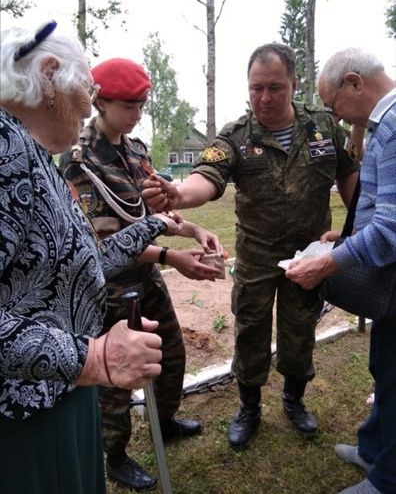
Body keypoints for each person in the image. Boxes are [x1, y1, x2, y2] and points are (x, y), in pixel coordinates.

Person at [142, 42, 361, 451]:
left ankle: (294, 400)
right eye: (256, 87)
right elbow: (206, 177)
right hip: (258, 257)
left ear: (294, 85)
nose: (264, 97)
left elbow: (349, 176)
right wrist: (176, 194)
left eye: (275, 87)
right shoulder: (236, 135)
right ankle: (249, 407)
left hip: (308, 256)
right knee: (250, 333)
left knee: (300, 332)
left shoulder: (324, 127)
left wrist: (358, 230)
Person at [0, 21, 184, 494]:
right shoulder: (5, 152)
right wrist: (93, 355)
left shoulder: (31, 149)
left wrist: (155, 225)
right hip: (23, 411)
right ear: (48, 76)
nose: (88, 105)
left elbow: (75, 260)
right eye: (87, 89)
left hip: (59, 388)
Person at [59, 57, 224, 491]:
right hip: (112, 287)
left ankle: (164, 421)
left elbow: (158, 212)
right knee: (118, 378)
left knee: (170, 352)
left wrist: (196, 228)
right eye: (130, 106)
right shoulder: (80, 160)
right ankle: (115, 454)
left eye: (142, 104)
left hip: (147, 277)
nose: (138, 114)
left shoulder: (136, 149)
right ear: (102, 102)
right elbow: (104, 241)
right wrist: (173, 258)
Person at [286, 48, 396, 494]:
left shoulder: (391, 129)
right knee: (385, 364)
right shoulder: (384, 125)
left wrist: (328, 263)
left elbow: (391, 230)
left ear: (354, 82)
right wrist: (347, 238)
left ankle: (387, 481)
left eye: (334, 105)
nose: (334, 115)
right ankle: (373, 449)